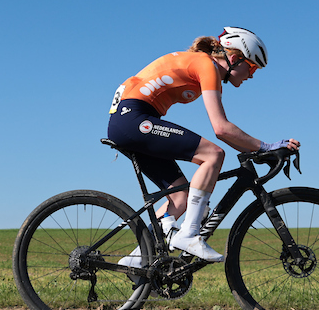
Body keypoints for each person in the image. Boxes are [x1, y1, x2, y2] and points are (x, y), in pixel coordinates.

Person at [106, 27, 299, 263]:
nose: (252, 75)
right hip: (134, 119)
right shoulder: (206, 65)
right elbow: (221, 129)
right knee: (213, 155)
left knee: (180, 198)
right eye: (253, 67)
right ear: (235, 58)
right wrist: (265, 146)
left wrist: (259, 148)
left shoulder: (202, 65)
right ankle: (189, 234)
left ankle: (138, 260)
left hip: (130, 121)